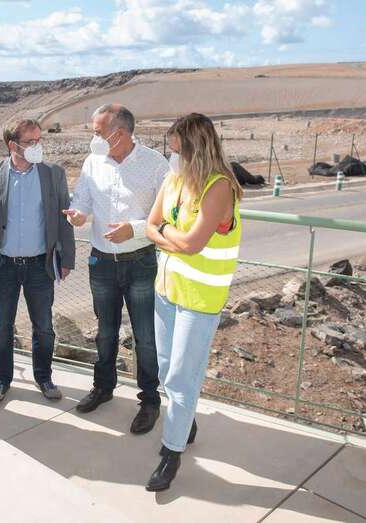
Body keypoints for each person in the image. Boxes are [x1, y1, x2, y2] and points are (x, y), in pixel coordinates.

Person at [144, 113, 243, 491]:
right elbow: (151, 226)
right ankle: (185, 422)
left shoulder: (219, 187)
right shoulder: (174, 180)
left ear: (195, 149)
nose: (172, 157)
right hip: (167, 292)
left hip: (200, 299)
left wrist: (166, 233)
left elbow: (192, 243)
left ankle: (171, 452)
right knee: (169, 368)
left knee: (182, 379)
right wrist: (171, 235)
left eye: (176, 150)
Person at [63, 104, 169, 435]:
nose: (92, 137)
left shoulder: (155, 164)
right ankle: (103, 388)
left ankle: (150, 401)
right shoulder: (93, 161)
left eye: (97, 131)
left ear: (119, 133)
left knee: (146, 337)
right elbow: (82, 199)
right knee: (105, 330)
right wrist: (78, 214)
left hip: (140, 261)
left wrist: (134, 230)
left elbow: (166, 214)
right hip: (102, 262)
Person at [0, 118, 76, 404]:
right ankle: (0, 380)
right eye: (30, 142)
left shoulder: (53, 173)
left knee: (43, 326)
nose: (36, 147)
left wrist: (66, 258)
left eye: (38, 141)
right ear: (12, 145)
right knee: (1, 326)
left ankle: (44, 377)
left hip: (39, 266)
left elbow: (64, 219)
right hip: (3, 265)